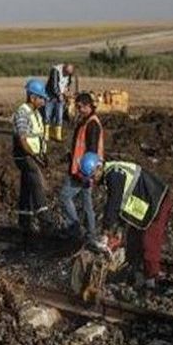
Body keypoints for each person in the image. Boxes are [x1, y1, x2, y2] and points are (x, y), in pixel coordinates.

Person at [101, 158, 173, 291]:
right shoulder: (115, 172)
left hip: (156, 202)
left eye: (92, 177)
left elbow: (114, 203)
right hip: (145, 204)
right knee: (133, 239)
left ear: (97, 169)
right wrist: (120, 227)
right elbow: (123, 200)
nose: (92, 181)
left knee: (149, 242)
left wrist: (106, 230)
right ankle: (134, 272)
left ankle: (151, 280)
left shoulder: (114, 174)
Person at [59, 93, 105, 245]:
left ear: (88, 106)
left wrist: (84, 171)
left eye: (80, 107)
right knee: (87, 204)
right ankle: (90, 235)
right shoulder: (86, 121)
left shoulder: (92, 124)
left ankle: (76, 228)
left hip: (83, 170)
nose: (78, 110)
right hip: (83, 169)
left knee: (65, 197)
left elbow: (91, 150)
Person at [13, 79, 55, 236]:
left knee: (27, 187)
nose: (44, 101)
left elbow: (38, 137)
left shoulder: (35, 113)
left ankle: (24, 221)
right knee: (37, 184)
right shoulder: (22, 113)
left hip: (34, 155)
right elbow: (23, 140)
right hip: (24, 156)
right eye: (41, 98)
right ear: (32, 98)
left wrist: (43, 154)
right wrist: (35, 157)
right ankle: (46, 221)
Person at [44, 63, 75, 142]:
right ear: (64, 68)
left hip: (60, 97)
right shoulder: (55, 71)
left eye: (69, 73)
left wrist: (67, 90)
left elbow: (68, 83)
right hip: (50, 96)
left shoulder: (69, 74)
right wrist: (59, 95)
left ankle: (57, 135)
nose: (67, 75)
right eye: (67, 73)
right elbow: (54, 85)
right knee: (48, 115)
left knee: (59, 115)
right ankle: (46, 134)